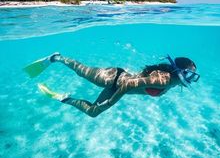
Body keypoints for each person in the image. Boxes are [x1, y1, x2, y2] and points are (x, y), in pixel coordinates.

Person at [24, 53, 200, 118]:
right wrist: (109, 103)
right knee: (81, 71)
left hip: (117, 84)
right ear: (179, 71)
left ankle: (63, 98)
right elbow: (129, 84)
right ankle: (57, 58)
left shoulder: (172, 82)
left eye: (193, 75)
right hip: (111, 78)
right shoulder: (164, 80)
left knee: (93, 112)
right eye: (189, 74)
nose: (191, 79)